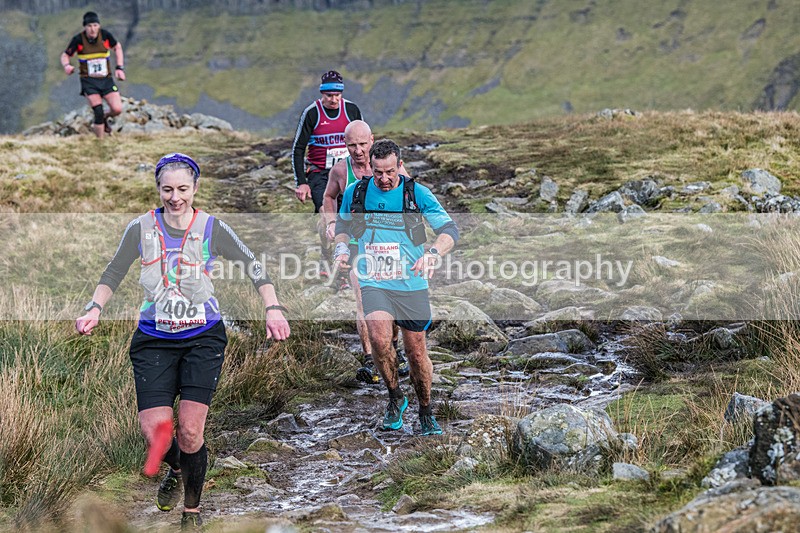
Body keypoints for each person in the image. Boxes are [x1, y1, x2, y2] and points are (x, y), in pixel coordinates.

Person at [75, 153, 290, 529]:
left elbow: (253, 264)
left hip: (202, 337)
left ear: (195, 188)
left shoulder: (212, 227)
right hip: (154, 339)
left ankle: (191, 513)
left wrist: (273, 307)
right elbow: (114, 270)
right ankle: (175, 467)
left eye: (183, 189)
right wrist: (95, 307)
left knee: (191, 431)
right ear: (158, 189)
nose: (175, 197)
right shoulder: (140, 228)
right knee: (155, 431)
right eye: (167, 189)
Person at [334, 139, 458, 436]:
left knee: (416, 353)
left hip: (410, 282)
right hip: (374, 279)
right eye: (378, 172)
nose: (384, 178)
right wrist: (341, 250)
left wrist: (432, 254)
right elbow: (342, 226)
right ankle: (394, 397)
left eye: (390, 171)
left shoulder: (416, 193)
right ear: (371, 168)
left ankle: (426, 410)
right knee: (378, 339)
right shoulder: (357, 192)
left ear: (399, 166)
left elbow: (449, 230)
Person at [322, 120, 410, 384]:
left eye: (362, 144)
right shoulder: (340, 170)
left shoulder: (392, 166)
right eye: (352, 145)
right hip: (357, 244)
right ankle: (371, 358)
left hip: (389, 245)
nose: (358, 151)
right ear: (345, 145)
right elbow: (328, 197)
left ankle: (394, 349)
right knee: (363, 299)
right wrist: (331, 222)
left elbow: (410, 197)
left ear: (372, 140)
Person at [291, 70, 363, 278]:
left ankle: (348, 260)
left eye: (337, 95)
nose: (333, 99)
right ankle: (327, 253)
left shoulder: (351, 110)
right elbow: (298, 148)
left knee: (349, 215)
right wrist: (302, 183)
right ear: (322, 94)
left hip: (346, 171)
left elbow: (364, 140)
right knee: (326, 214)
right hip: (320, 173)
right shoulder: (312, 113)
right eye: (329, 95)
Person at [60, 11, 126, 139]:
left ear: (99, 26)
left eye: (95, 25)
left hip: (106, 80)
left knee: (117, 109)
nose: (92, 29)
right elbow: (65, 55)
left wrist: (119, 68)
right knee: (98, 111)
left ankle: (104, 118)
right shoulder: (78, 40)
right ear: (85, 27)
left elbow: (117, 47)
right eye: (89, 26)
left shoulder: (105, 36)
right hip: (89, 82)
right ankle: (99, 143)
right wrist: (67, 66)